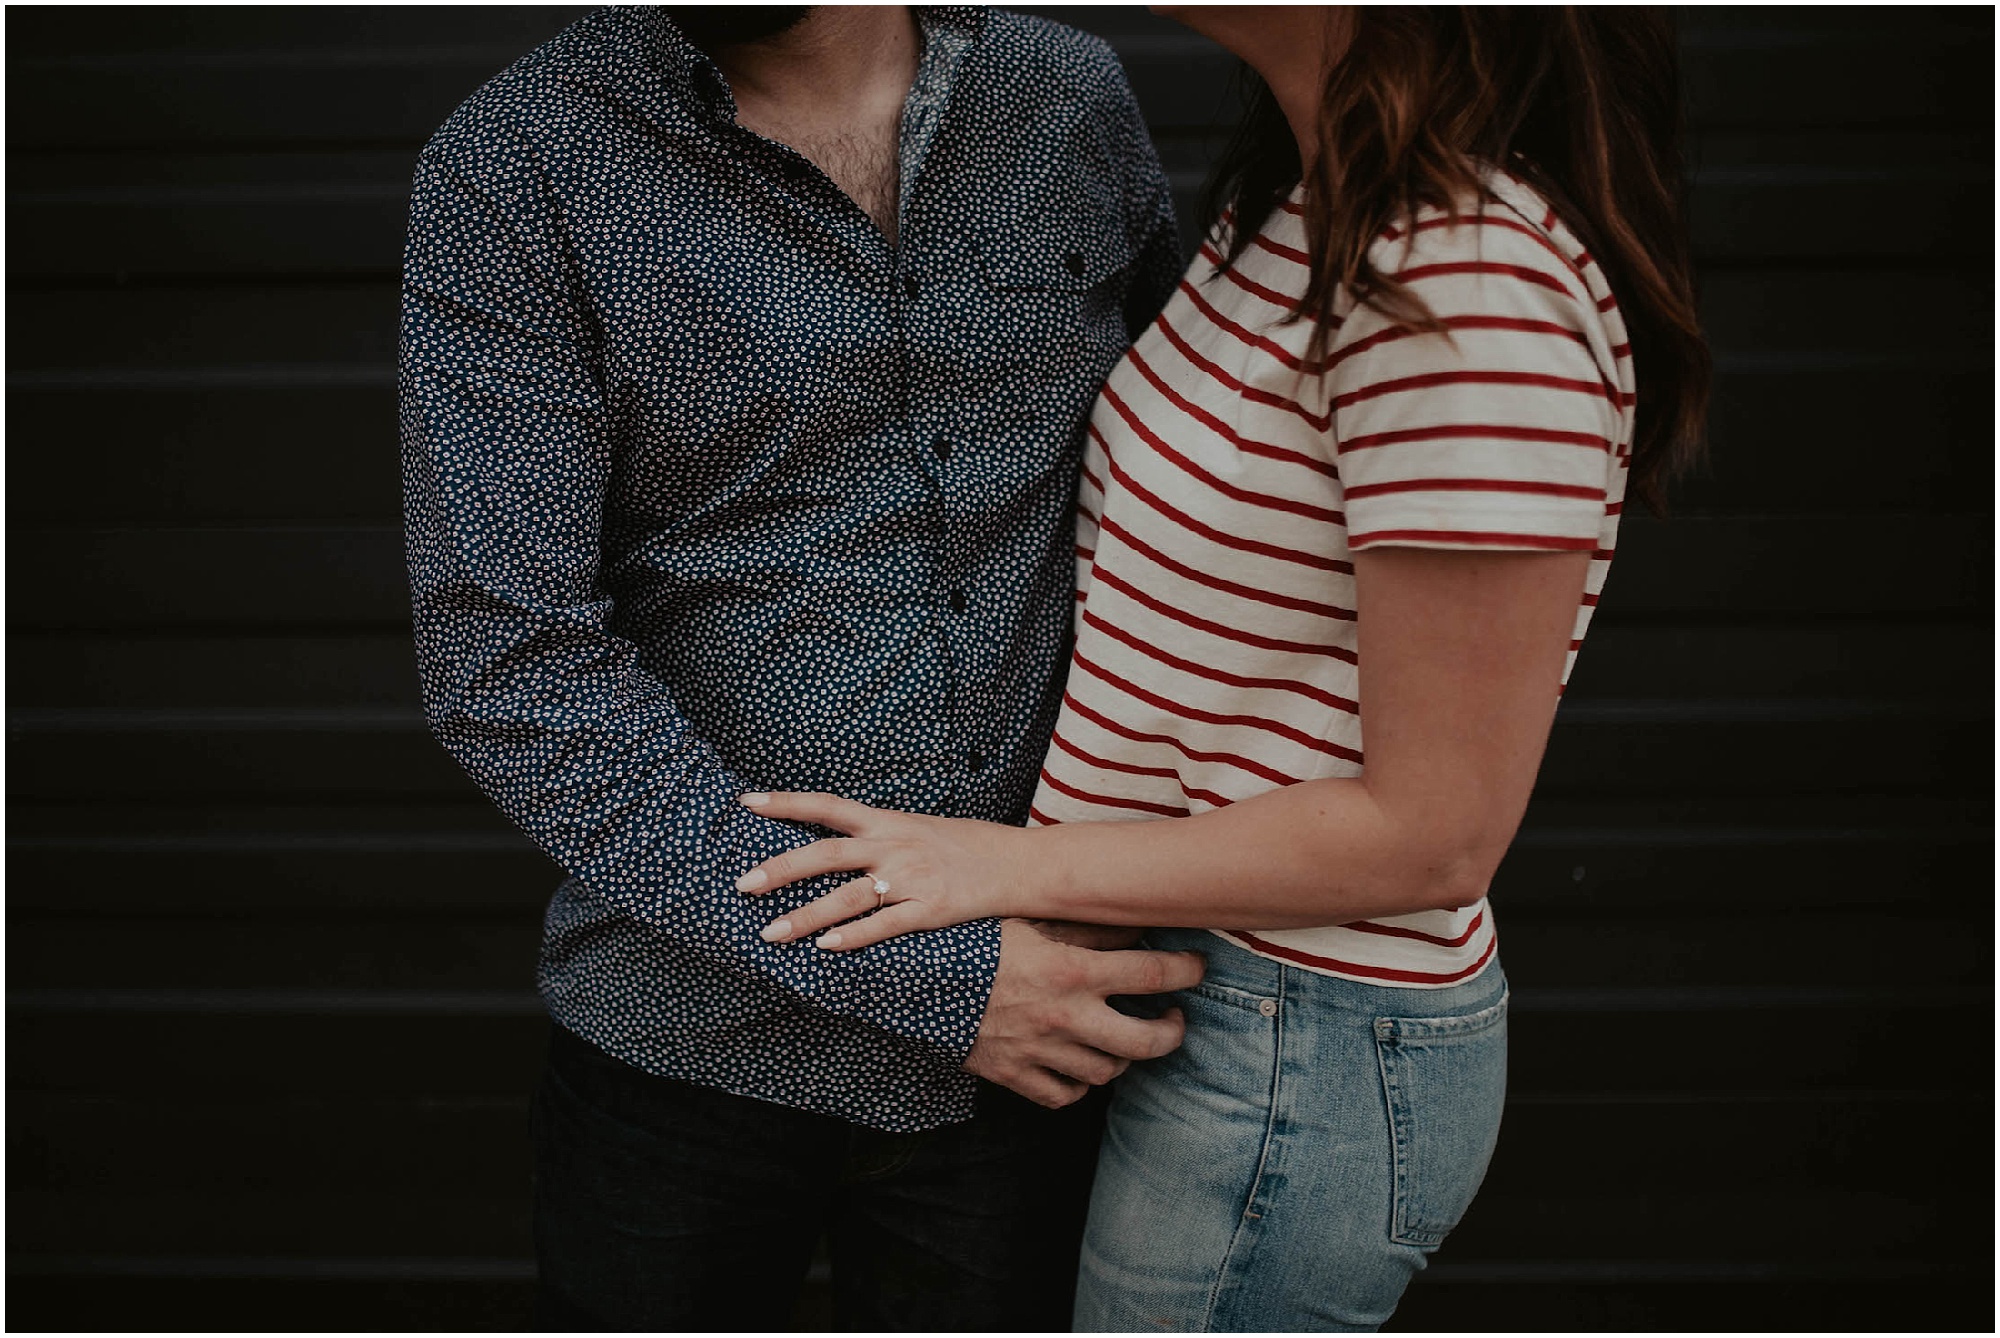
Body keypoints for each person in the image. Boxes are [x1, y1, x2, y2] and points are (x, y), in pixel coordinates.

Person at [736, 6, 1711, 1330]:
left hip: (1299, 1037)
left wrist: (1004, 862)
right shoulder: (1305, 205)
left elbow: (1433, 836)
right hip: (1214, 995)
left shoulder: (1467, 281)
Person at [398, 5, 1202, 1330]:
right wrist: (936, 978)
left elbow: (1189, 493)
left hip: (1042, 1051)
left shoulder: (1065, 99)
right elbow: (510, 665)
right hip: (686, 1054)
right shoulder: (522, 162)